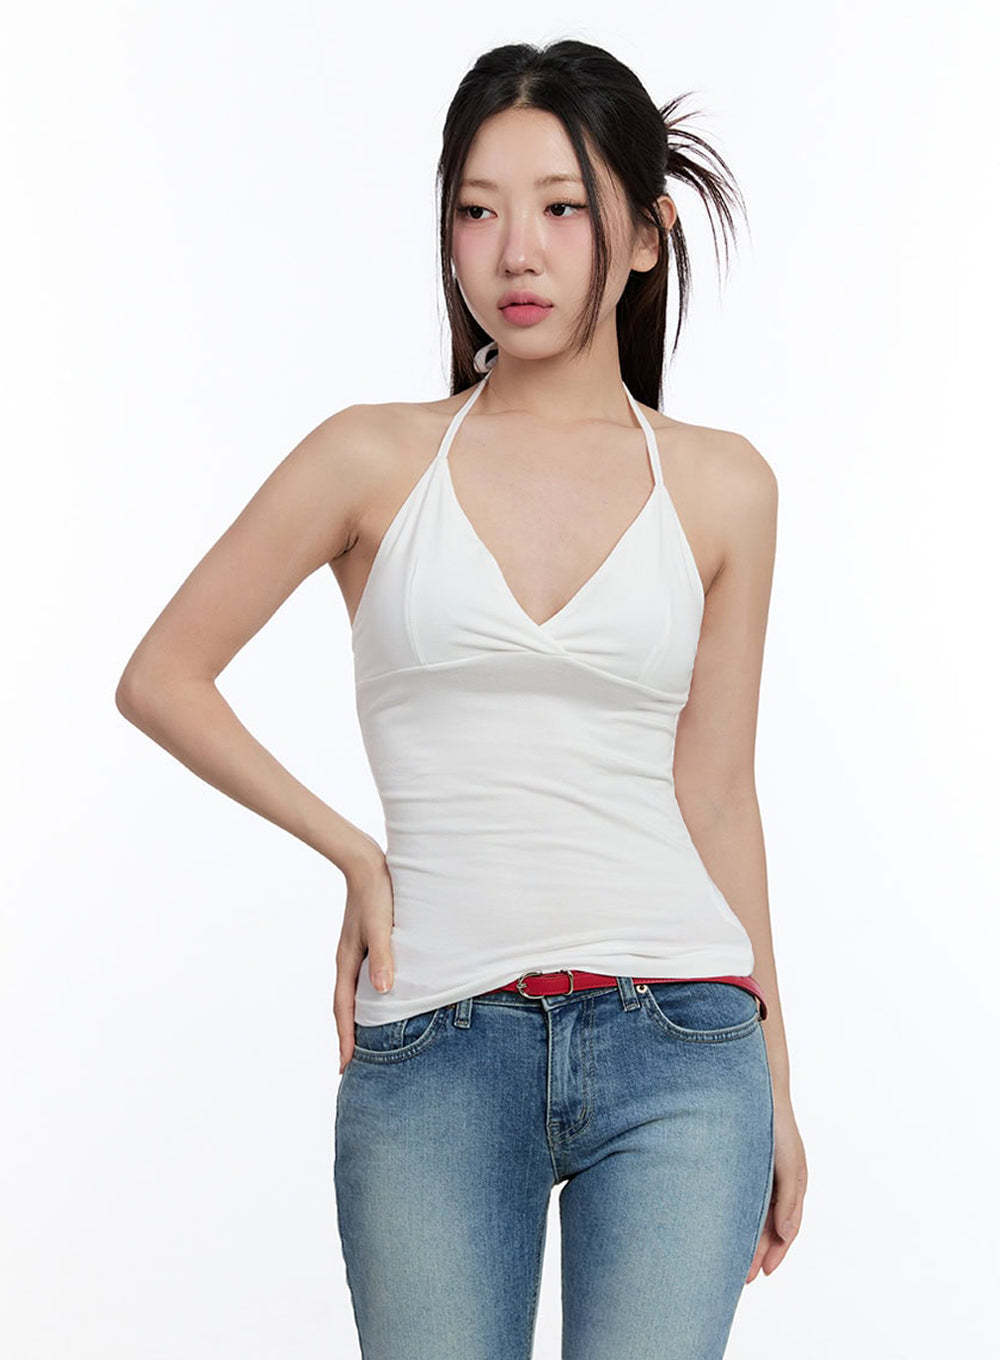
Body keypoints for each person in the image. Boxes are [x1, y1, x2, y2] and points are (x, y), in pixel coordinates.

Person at [116, 38, 807, 1360]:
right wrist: (354, 853)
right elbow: (162, 676)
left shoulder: (724, 487)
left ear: (645, 236)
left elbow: (719, 792)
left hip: (684, 1039)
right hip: (433, 1044)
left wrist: (777, 1085)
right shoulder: (370, 458)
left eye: (562, 207)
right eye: (478, 210)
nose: (516, 252)